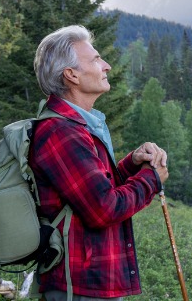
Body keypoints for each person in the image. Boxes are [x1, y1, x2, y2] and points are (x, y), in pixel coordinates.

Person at [30, 25, 169, 300]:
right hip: (79, 285)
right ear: (71, 75)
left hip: (88, 281)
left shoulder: (76, 126)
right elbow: (102, 209)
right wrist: (151, 180)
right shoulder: (62, 132)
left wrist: (131, 163)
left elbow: (88, 188)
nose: (105, 66)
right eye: (95, 60)